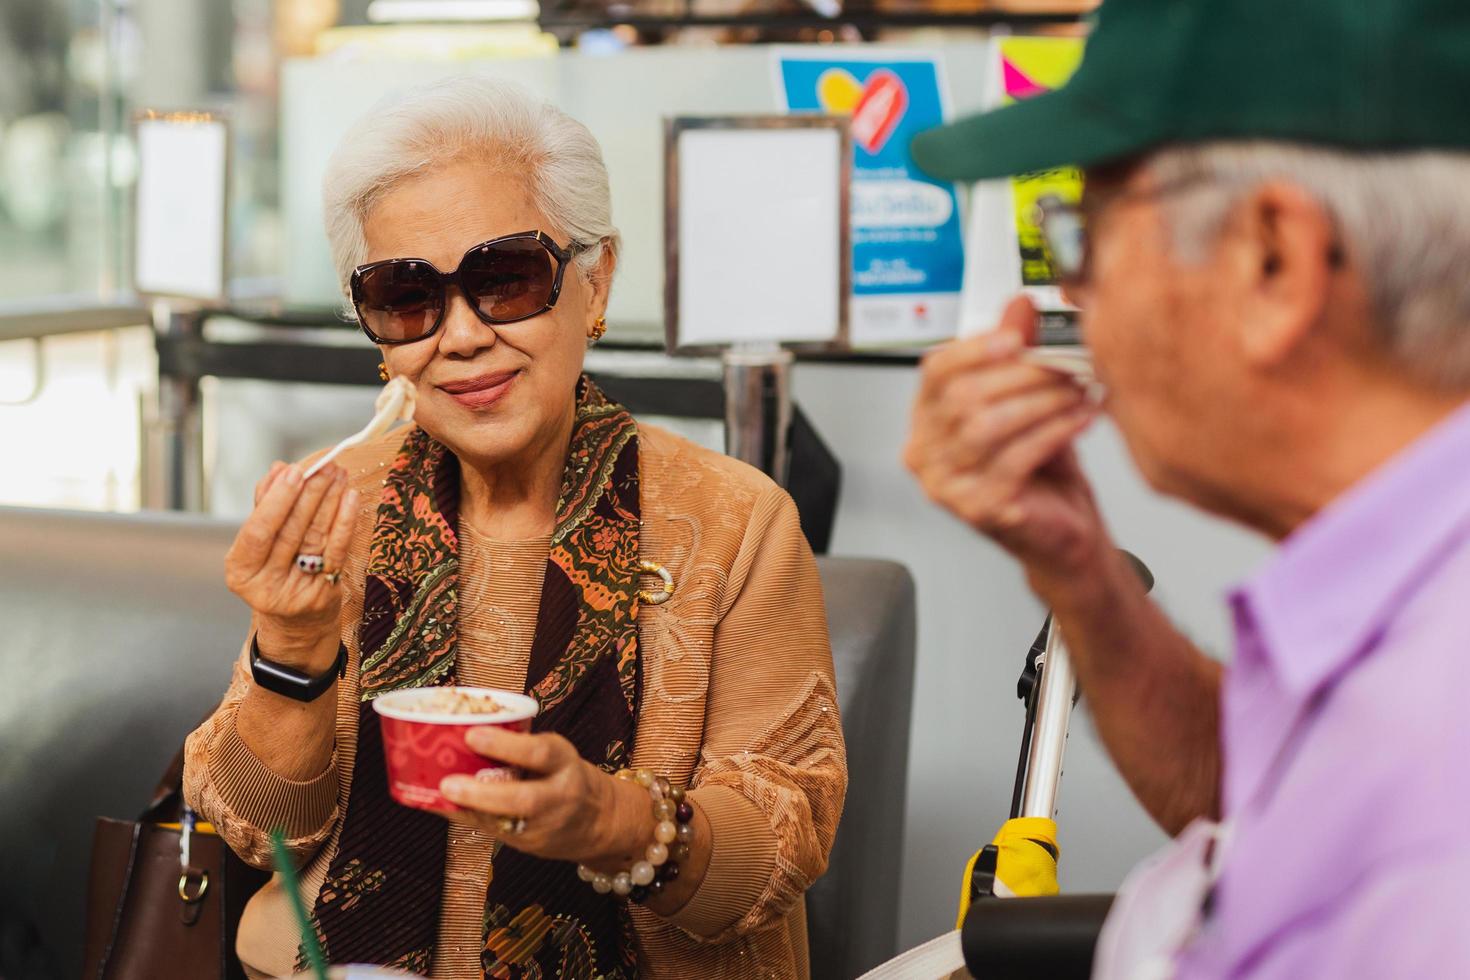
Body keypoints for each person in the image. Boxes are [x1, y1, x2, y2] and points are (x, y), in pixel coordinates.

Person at [183, 76, 845, 980]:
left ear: (595, 280)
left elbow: (780, 847)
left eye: (504, 279)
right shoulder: (342, 510)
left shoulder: (732, 523)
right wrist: (290, 649)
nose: (458, 336)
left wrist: (614, 824)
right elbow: (265, 840)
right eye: (407, 296)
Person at [905, 0, 1470, 975]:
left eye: (1083, 233)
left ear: (1273, 262)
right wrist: (1077, 569)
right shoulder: (1405, 596)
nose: (1074, 296)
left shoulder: (1433, 812)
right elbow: (1269, 800)